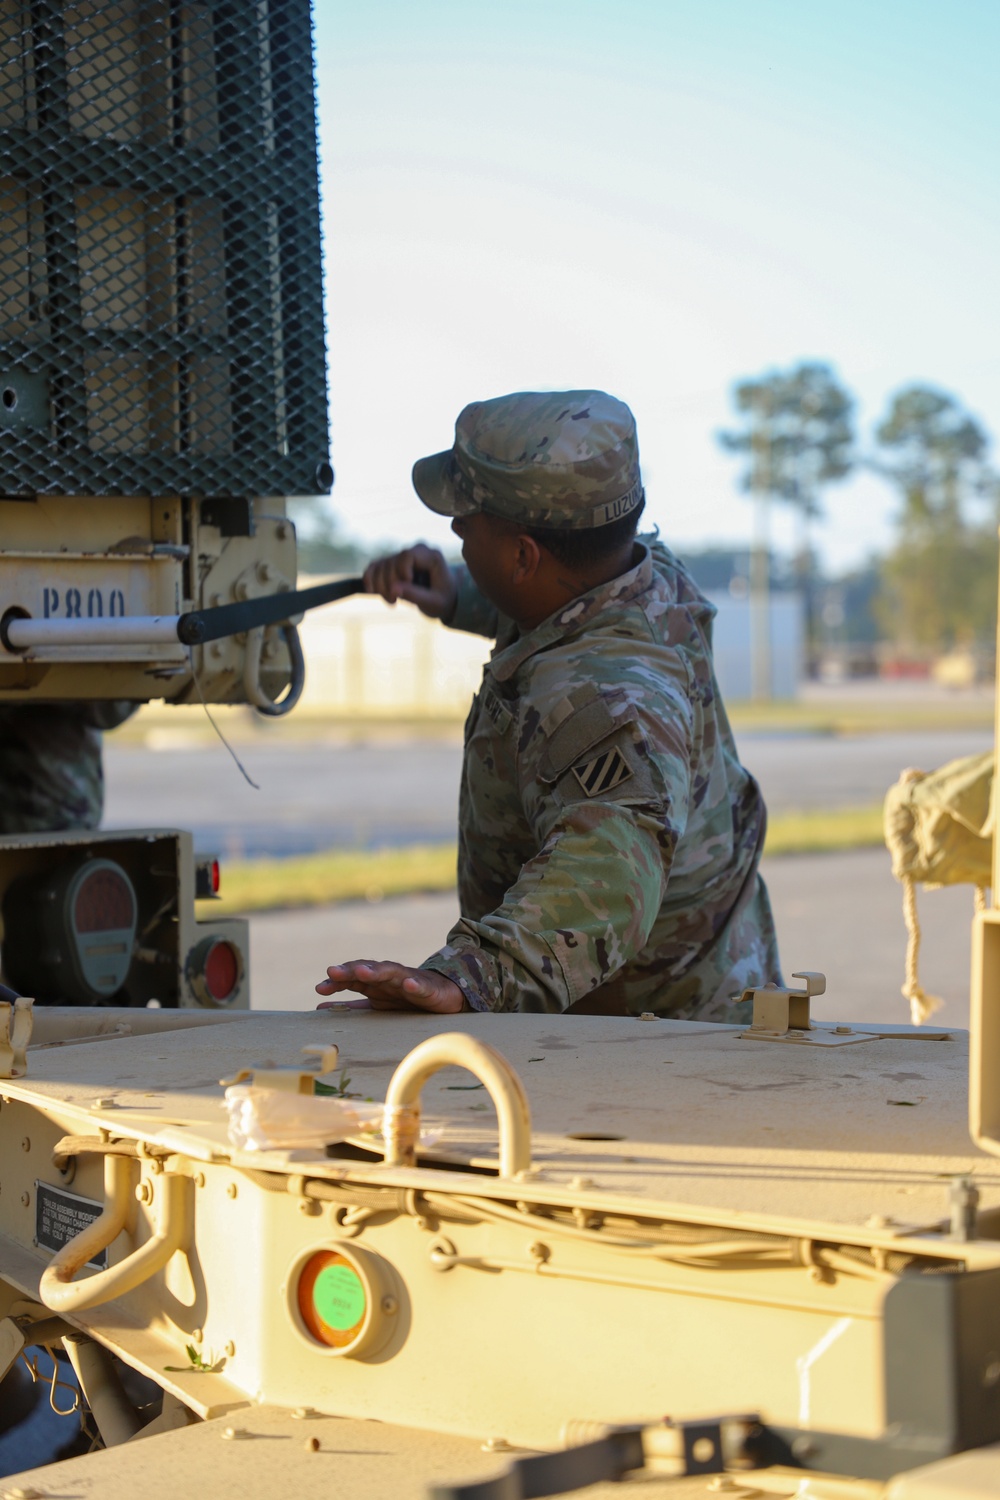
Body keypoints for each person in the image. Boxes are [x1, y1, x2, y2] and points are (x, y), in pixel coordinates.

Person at [317, 389, 782, 1019]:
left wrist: (476, 977)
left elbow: (607, 866)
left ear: (522, 556)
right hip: (679, 999)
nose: (454, 533)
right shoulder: (645, 575)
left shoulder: (608, 700)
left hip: (666, 1049)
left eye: (465, 527)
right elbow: (557, 607)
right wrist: (456, 592)